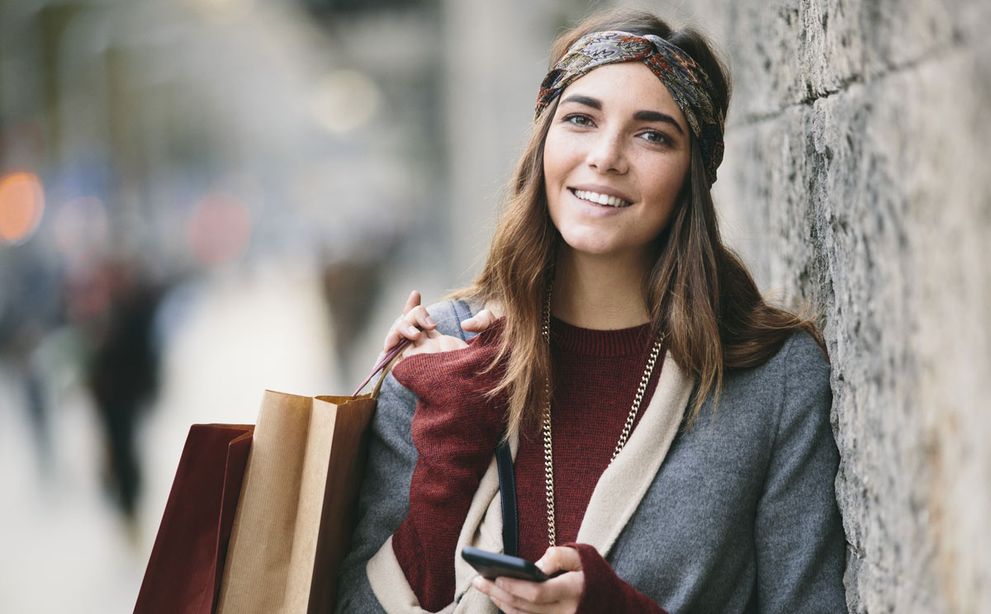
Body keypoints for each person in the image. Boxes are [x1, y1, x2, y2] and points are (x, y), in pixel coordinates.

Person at [336, 9, 847, 613]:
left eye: (653, 134)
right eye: (580, 120)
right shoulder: (442, 353)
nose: (606, 156)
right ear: (544, 142)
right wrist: (451, 437)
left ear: (695, 172)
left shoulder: (773, 380)